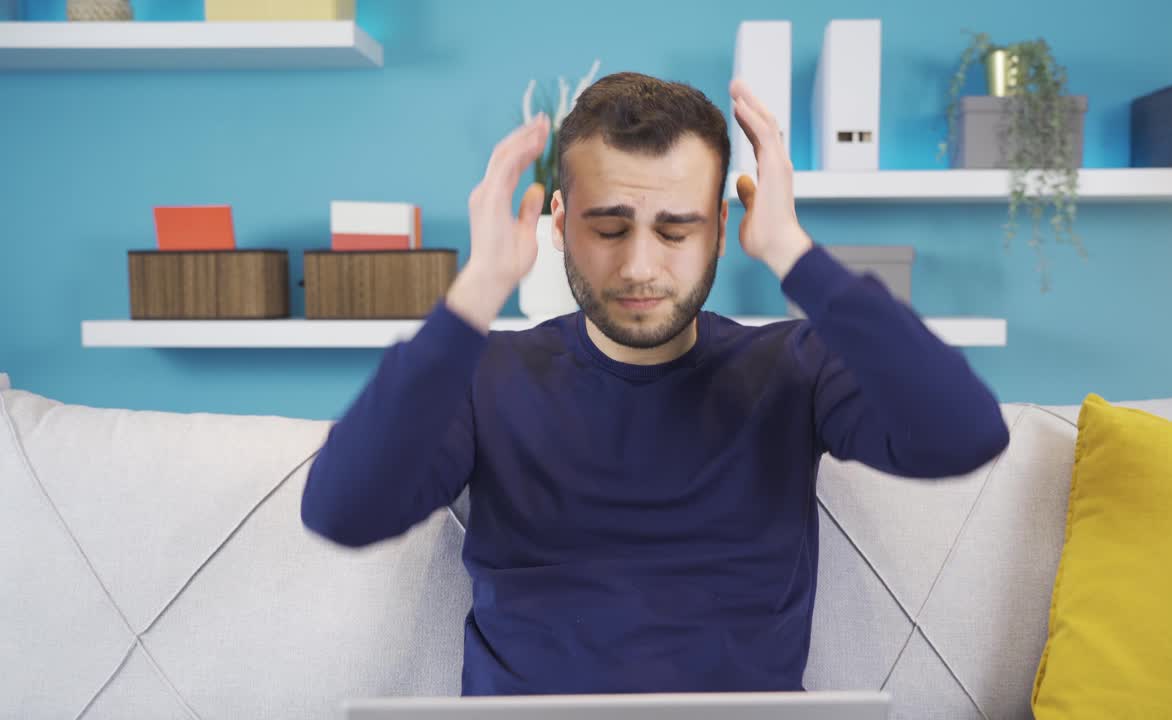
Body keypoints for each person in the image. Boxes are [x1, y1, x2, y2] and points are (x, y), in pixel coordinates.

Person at [301, 72, 1009, 695]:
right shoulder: (483, 373)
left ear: (723, 231)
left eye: (676, 231)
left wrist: (793, 251)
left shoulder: (797, 365)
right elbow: (343, 510)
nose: (641, 266)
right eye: (610, 228)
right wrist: (478, 288)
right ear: (558, 224)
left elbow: (965, 432)